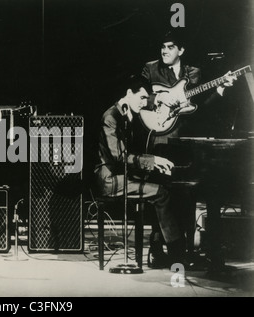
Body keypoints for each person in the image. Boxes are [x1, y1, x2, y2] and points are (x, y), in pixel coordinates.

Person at [139, 29, 237, 271]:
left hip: (182, 141)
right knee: (158, 192)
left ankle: (183, 251)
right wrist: (159, 100)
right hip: (158, 139)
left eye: (171, 47)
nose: (164, 51)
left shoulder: (193, 73)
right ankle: (155, 248)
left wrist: (220, 89)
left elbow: (199, 107)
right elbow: (139, 98)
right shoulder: (150, 69)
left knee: (184, 196)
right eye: (163, 46)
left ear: (181, 50)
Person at [94, 74, 187, 268]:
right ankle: (176, 254)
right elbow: (118, 156)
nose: (145, 103)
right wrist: (153, 161)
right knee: (160, 193)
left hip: (122, 175)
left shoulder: (127, 115)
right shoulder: (110, 117)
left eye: (147, 98)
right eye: (142, 98)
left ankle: (158, 250)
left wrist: (153, 163)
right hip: (111, 180)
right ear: (129, 93)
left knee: (161, 188)